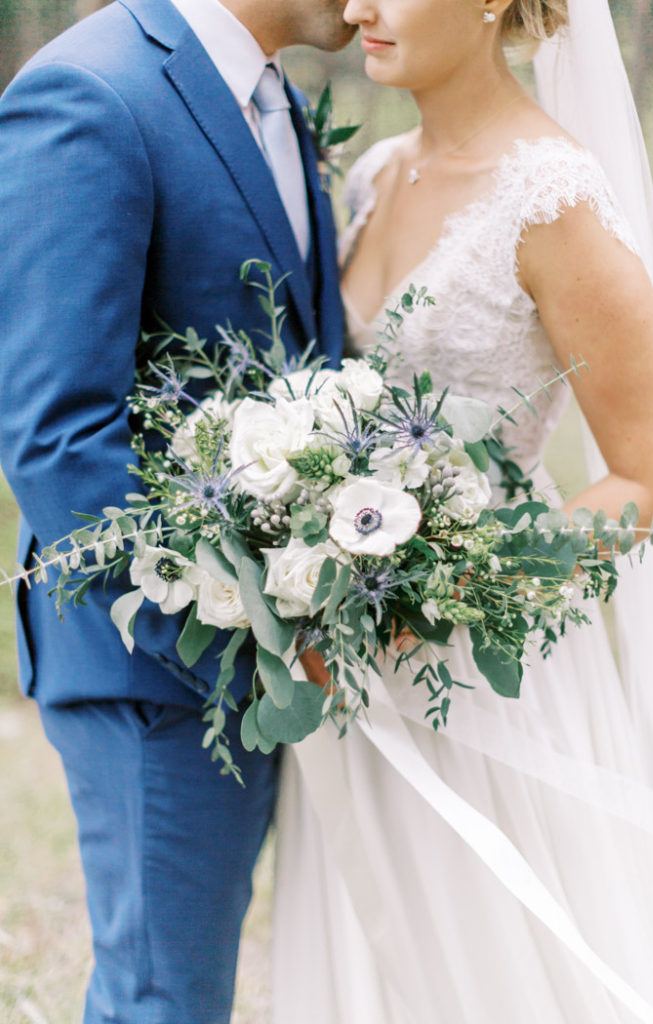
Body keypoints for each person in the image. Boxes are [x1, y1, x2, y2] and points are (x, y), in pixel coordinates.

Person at [277, 0, 653, 1020]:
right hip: (356, 667)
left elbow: (652, 469)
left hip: (488, 671)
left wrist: (458, 588)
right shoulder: (372, 175)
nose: (356, 5)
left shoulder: (551, 200)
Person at [0, 0, 354, 1021]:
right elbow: (58, 437)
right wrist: (247, 630)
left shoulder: (274, 99)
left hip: (264, 667)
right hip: (154, 666)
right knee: (160, 1003)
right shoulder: (92, 92)